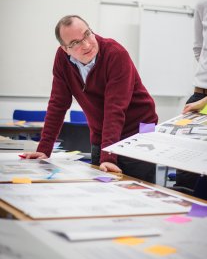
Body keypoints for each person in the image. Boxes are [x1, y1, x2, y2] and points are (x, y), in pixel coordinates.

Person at [23, 15, 158, 183]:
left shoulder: (116, 54)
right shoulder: (62, 60)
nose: (86, 44)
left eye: (87, 34)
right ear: (65, 49)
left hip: (140, 129)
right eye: (75, 43)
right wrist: (44, 149)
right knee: (101, 190)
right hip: (103, 132)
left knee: (138, 189)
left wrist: (108, 156)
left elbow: (114, 108)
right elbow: (58, 104)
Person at [177, 0, 207, 191]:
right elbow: (199, 49)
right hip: (199, 96)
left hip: (203, 101)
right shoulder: (203, 3)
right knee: (184, 172)